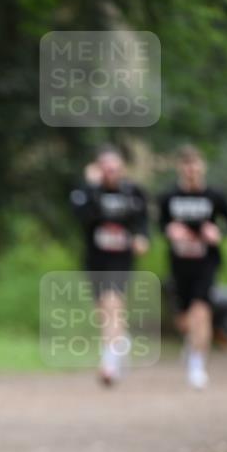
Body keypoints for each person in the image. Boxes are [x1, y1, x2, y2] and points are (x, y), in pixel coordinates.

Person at [70, 146, 149, 385]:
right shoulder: (86, 192)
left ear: (122, 169)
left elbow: (142, 222)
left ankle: (109, 363)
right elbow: (80, 216)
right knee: (103, 311)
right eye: (105, 168)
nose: (110, 173)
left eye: (114, 168)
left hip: (121, 258)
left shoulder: (134, 193)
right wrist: (92, 187)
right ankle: (121, 342)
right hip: (95, 258)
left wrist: (142, 237)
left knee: (112, 302)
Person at [158, 145, 227, 390]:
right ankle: (192, 344)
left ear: (202, 167)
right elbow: (160, 224)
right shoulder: (170, 197)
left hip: (206, 263)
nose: (191, 170)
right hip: (180, 264)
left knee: (201, 311)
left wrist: (217, 232)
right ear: (181, 168)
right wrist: (171, 231)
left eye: (195, 164)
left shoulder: (214, 196)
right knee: (185, 320)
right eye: (186, 165)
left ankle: (197, 366)